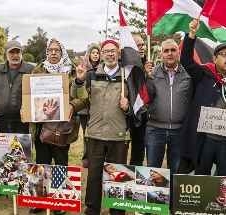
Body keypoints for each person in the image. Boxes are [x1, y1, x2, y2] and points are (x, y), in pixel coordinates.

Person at [178, 20, 226, 176]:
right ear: (214, 59)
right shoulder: (204, 75)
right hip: (204, 140)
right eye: (224, 54)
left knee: (223, 179)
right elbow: (186, 60)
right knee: (201, 177)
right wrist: (191, 34)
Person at [74, 39, 131, 215]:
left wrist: (127, 106)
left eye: (113, 51)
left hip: (118, 135)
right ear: (102, 54)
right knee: (94, 177)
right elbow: (80, 101)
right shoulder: (91, 75)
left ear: (118, 53)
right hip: (96, 135)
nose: (110, 54)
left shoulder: (127, 76)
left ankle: (117, 210)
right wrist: (79, 81)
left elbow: (138, 108)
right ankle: (92, 210)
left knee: (117, 177)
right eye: (106, 51)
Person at [29, 38, 82, 215]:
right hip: (41, 127)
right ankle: (40, 200)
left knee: (60, 164)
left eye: (56, 50)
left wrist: (72, 105)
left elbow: (82, 97)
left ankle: (60, 201)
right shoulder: (38, 70)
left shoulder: (72, 72)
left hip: (61, 128)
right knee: (42, 163)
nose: (53, 53)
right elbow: (29, 94)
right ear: (46, 52)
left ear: (62, 52)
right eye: (50, 50)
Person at [145, 38, 192, 174]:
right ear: (161, 55)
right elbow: (145, 98)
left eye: (173, 50)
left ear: (179, 52)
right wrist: (147, 78)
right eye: (166, 51)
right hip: (155, 129)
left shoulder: (188, 73)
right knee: (153, 171)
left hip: (179, 130)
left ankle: (173, 196)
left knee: (176, 171)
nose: (170, 53)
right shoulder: (152, 73)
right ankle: (155, 195)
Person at [0, 40, 34, 134]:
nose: (15, 55)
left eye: (18, 52)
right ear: (6, 54)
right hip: (0, 120)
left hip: (23, 122)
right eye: (11, 52)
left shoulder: (31, 70)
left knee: (21, 148)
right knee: (0, 148)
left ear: (22, 53)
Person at [129, 34, 152, 166]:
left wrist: (149, 76)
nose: (142, 47)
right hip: (127, 111)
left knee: (139, 147)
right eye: (138, 45)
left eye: (143, 44)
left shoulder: (149, 65)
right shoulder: (126, 66)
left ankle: (137, 169)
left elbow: (152, 90)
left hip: (142, 112)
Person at [80, 43, 100, 168]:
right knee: (86, 135)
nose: (96, 55)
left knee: (95, 134)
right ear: (89, 54)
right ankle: (86, 157)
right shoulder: (84, 69)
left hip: (97, 108)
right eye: (93, 53)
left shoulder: (102, 69)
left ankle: (95, 157)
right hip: (84, 109)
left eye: (97, 53)